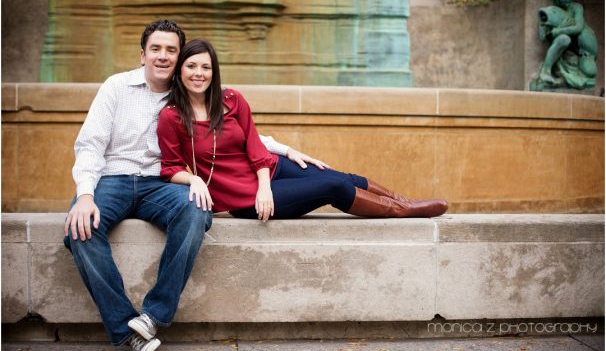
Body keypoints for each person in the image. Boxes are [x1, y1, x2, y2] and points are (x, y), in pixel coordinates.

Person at [63, 20, 325, 351]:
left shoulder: (187, 89)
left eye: (171, 50)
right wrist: (85, 195)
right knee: (80, 229)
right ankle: (128, 330)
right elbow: (91, 144)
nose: (162, 56)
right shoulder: (116, 87)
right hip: (112, 179)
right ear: (142, 54)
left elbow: (230, 128)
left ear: (179, 56)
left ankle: (154, 314)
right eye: (155, 49)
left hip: (162, 183)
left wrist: (283, 149)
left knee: (197, 211)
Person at [157, 39, 448, 222]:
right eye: (192, 66)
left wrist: (274, 170)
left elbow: (254, 146)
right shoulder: (172, 118)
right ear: (180, 71)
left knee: (339, 176)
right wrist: (194, 180)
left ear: (214, 71)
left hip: (268, 172)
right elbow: (169, 167)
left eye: (206, 67)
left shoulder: (231, 99)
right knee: (332, 187)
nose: (199, 73)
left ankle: (404, 200)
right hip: (245, 198)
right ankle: (402, 212)